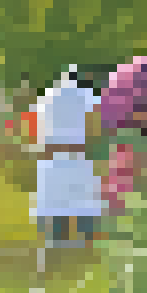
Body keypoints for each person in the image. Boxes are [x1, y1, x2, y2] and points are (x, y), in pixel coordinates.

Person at [31, 66, 103, 254]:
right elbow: (96, 121)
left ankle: (58, 245)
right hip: (77, 154)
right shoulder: (85, 95)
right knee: (83, 204)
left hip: (52, 155)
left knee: (57, 204)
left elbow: (38, 126)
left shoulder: (47, 96)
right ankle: (87, 246)